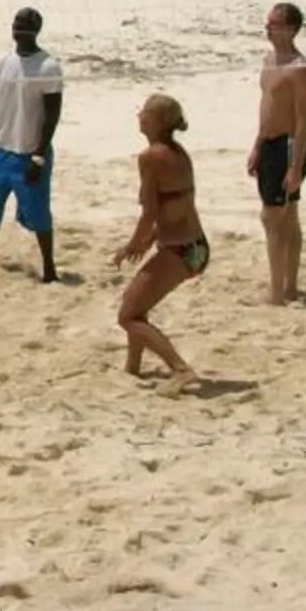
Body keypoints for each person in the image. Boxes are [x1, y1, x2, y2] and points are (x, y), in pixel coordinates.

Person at [113, 93, 206, 393]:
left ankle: (181, 369)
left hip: (180, 250)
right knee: (136, 303)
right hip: (195, 247)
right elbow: (175, 206)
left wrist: (131, 245)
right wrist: (151, 238)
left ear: (155, 121)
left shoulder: (151, 157)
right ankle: (132, 368)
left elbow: (150, 212)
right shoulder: (179, 153)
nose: (138, 115)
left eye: (144, 112)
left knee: (128, 315)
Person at [0, 7, 65, 280]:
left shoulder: (48, 67)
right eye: (16, 22)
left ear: (35, 30)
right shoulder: (3, 62)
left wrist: (39, 156)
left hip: (29, 152)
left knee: (38, 213)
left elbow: (52, 117)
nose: (18, 27)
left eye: (24, 23)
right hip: (1, 150)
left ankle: (50, 268)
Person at [248, 2, 306, 304]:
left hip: (289, 146)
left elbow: (302, 120)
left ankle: (278, 292)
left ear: (289, 28)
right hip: (270, 144)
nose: (267, 27)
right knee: (287, 217)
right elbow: (267, 110)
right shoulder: (268, 60)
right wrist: (256, 146)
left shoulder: (299, 69)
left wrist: (296, 168)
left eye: (273, 23)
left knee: (273, 217)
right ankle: (288, 287)